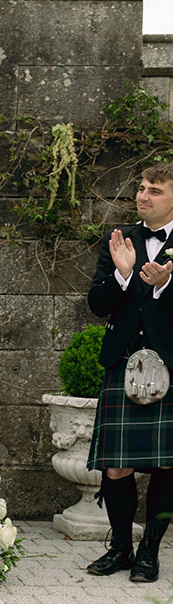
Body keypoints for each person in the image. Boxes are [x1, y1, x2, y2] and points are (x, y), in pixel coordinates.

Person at [87, 163, 173, 582]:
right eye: (141, 188)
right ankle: (120, 547)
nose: (143, 196)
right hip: (124, 362)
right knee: (116, 466)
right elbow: (97, 303)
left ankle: (149, 552)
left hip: (171, 363)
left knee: (167, 466)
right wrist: (123, 276)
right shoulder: (120, 239)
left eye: (154, 190)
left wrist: (163, 285)